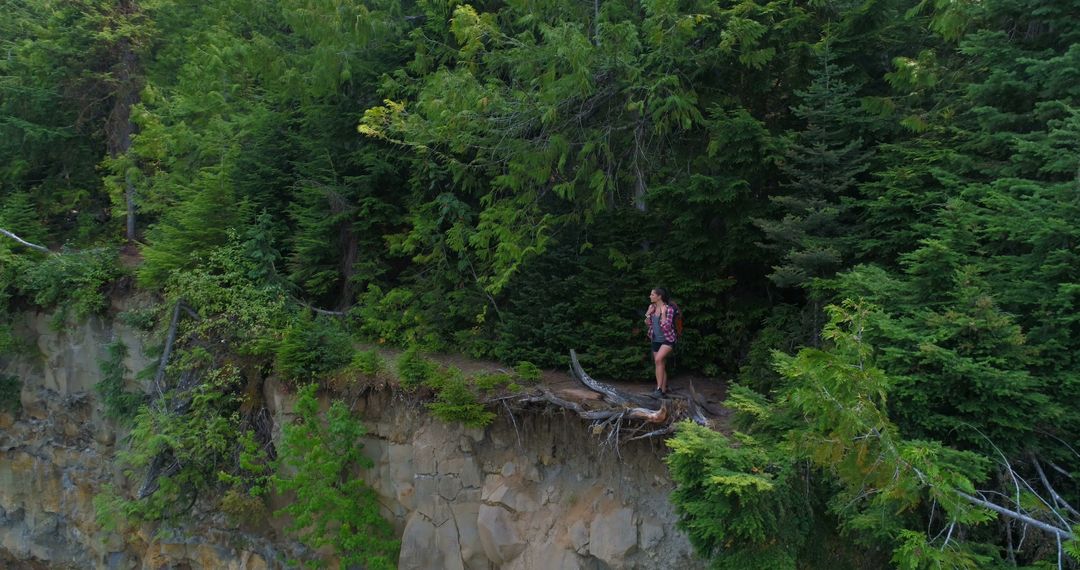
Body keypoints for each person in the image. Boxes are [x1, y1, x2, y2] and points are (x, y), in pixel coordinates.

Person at [644, 287, 678, 396]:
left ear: (659, 296)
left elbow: (667, 327)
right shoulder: (652, 307)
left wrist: (663, 314)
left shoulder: (669, 309)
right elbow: (648, 324)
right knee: (660, 363)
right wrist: (648, 314)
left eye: (652, 294)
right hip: (655, 339)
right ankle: (663, 392)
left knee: (658, 360)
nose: (650, 296)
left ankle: (658, 389)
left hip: (668, 339)